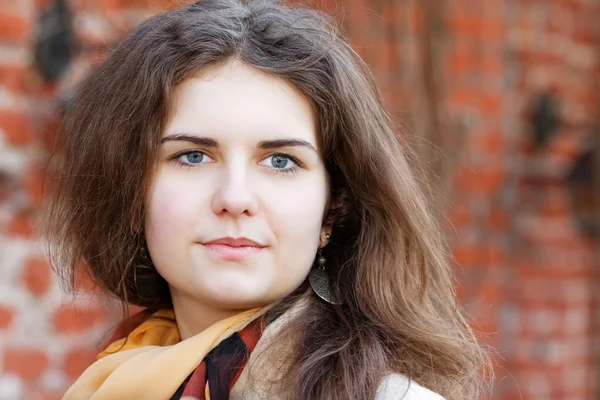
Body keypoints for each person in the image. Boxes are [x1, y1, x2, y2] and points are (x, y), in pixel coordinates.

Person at [45, 0, 490, 399]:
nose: (235, 199)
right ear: (131, 192)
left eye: (280, 161)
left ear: (332, 210)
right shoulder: (108, 384)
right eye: (193, 156)